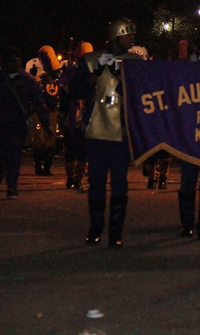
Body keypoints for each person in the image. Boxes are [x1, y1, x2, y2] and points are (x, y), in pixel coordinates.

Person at [72, 18, 143, 247]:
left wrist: (122, 76)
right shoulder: (91, 59)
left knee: (120, 183)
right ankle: (95, 227)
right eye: (128, 35)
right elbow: (77, 89)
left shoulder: (134, 61)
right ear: (117, 36)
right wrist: (97, 72)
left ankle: (115, 230)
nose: (132, 39)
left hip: (121, 131)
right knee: (96, 182)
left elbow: (140, 93)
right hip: (97, 128)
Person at [0, 47, 51, 199]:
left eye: (15, 61)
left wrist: (46, 124)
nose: (12, 64)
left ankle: (12, 188)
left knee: (13, 157)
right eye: (9, 61)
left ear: (20, 61)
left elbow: (39, 104)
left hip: (16, 125)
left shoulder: (29, 81)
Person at [59, 41, 93, 190]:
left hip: (82, 115)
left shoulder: (76, 71)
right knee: (77, 150)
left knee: (78, 150)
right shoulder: (73, 72)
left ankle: (74, 178)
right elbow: (64, 92)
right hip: (76, 115)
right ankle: (74, 178)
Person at [32, 46, 64, 176]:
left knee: (49, 140)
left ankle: (46, 167)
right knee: (39, 140)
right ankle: (40, 166)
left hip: (52, 112)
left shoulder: (59, 81)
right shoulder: (39, 81)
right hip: (40, 113)